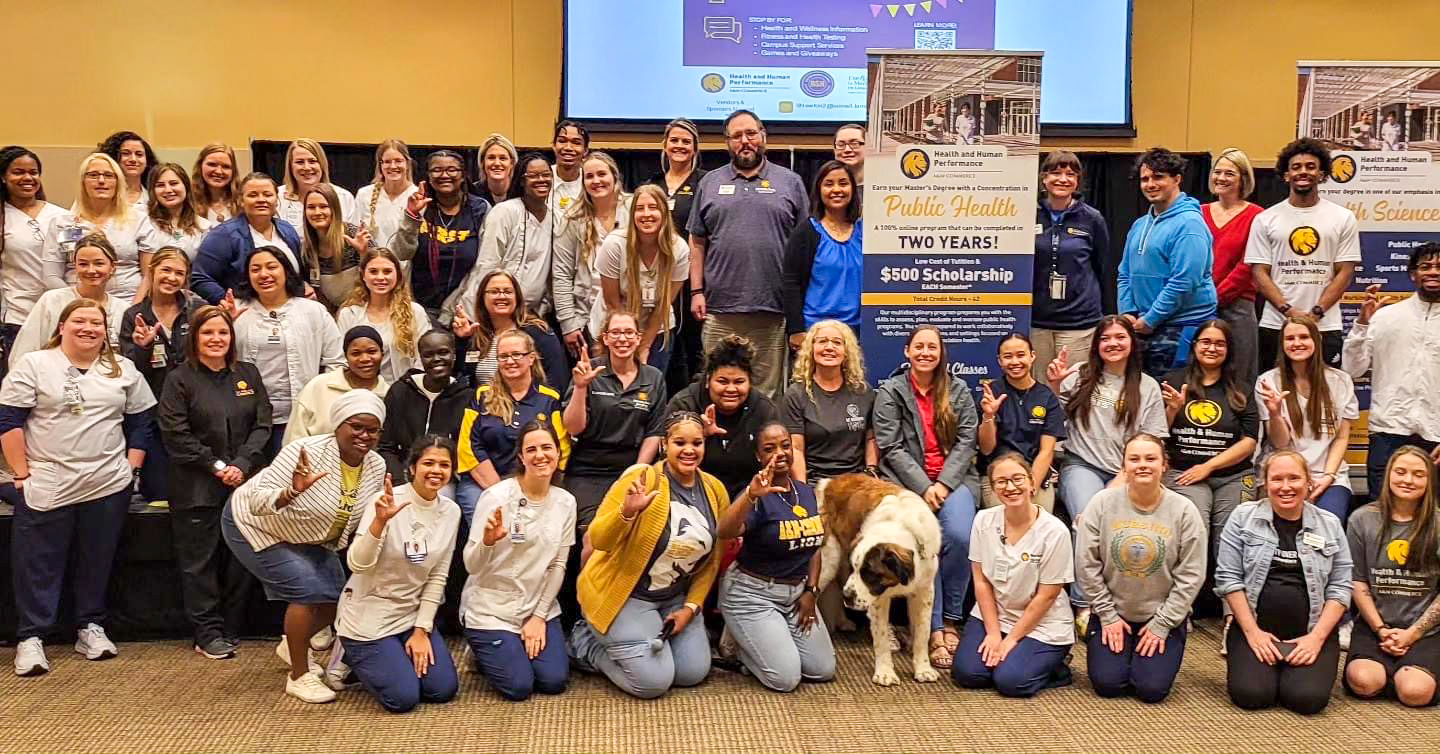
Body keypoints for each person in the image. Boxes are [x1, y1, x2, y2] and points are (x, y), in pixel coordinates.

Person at [4, 298, 156, 676]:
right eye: (80, 321)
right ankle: (31, 636)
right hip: (48, 478)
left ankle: (90, 626)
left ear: (106, 331)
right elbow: (8, 420)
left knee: (97, 558)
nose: (89, 328)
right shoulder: (36, 365)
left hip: (106, 480)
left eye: (96, 323)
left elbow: (141, 421)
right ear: (62, 326)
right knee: (38, 562)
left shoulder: (120, 369)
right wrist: (21, 475)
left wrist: (131, 468)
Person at [221, 390, 388, 703]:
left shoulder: (376, 466)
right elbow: (257, 502)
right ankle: (298, 675)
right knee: (307, 591)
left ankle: (293, 642)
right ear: (338, 425)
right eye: (356, 427)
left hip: (312, 535)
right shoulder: (304, 451)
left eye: (372, 430)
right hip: (255, 524)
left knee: (340, 598)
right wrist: (290, 492)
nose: (364, 436)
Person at [568, 412, 729, 699]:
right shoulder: (641, 477)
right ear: (665, 444)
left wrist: (691, 608)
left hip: (673, 597)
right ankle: (586, 643)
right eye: (680, 442)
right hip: (624, 594)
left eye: (697, 443)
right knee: (652, 683)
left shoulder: (715, 489)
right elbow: (599, 540)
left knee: (692, 673)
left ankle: (641, 641)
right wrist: (627, 512)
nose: (689, 450)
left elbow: (711, 561)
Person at [158, 305, 272, 659]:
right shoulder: (179, 379)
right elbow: (176, 434)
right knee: (200, 563)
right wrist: (218, 466)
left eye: (222, 332)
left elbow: (263, 425)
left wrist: (240, 464)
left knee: (242, 558)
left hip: (245, 483)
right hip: (197, 487)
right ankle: (206, 633)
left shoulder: (247, 374)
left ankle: (233, 627)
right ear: (194, 337)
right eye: (208, 333)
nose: (216, 339)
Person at [873, 325, 980, 669]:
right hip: (908, 485)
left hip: (955, 480)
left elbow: (967, 440)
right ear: (906, 351)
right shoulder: (891, 391)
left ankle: (950, 618)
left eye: (932, 347)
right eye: (918, 347)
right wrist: (924, 487)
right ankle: (932, 629)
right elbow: (890, 445)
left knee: (962, 535)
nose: (925, 353)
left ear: (941, 353)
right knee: (924, 543)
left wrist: (944, 484)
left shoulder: (959, 389)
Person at [1215, 449, 1351, 714]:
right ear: (1265, 483)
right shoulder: (1243, 517)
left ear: (1308, 481)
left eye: (1294, 478)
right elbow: (1228, 578)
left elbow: (1341, 586)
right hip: (1253, 629)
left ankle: (1293, 666)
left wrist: (1317, 638)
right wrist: (1253, 633)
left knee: (1306, 700)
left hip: (1312, 630)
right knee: (1252, 695)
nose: (1286, 487)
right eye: (1277, 479)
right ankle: (1263, 663)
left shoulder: (1329, 524)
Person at [688, 110, 809, 402]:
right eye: (737, 136)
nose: (745, 141)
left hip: (773, 309)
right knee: (718, 388)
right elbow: (697, 242)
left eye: (751, 134)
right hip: (719, 308)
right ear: (727, 142)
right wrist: (696, 291)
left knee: (767, 394)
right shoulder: (710, 183)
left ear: (763, 136)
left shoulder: (790, 182)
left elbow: (806, 245)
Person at [1075, 433, 1206, 703]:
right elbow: (1086, 565)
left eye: (1151, 458)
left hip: (1160, 615)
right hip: (1112, 610)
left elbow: (1191, 575)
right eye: (1134, 459)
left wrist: (1163, 624)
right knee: (1108, 684)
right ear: (1124, 466)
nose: (1142, 465)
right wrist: (1107, 616)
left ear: (1164, 464)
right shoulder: (1102, 503)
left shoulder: (1184, 510)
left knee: (1151, 689)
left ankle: (1159, 642)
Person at [336, 438, 462, 713]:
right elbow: (357, 564)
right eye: (428, 463)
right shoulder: (385, 502)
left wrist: (421, 630)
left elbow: (438, 577)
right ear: (413, 467)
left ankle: (389, 656)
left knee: (441, 690)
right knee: (403, 698)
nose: (436, 471)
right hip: (368, 613)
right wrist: (380, 523)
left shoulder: (451, 511)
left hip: (409, 616)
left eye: (444, 465)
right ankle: (350, 653)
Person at [462, 421, 576, 701]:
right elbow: (471, 566)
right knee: (519, 686)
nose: (540, 455)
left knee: (553, 681)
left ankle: (511, 647)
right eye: (532, 449)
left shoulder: (566, 502)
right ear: (522, 458)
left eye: (547, 447)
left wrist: (538, 617)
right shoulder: (496, 497)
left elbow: (558, 565)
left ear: (558, 453)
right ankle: (480, 648)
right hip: (492, 607)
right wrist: (488, 540)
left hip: (537, 604)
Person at [716, 422, 835, 691]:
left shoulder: (804, 492)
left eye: (785, 446)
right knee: (785, 679)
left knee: (822, 670)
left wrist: (811, 592)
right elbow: (724, 531)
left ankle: (768, 639)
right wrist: (750, 496)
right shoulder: (756, 495)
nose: (780, 453)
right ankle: (740, 648)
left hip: (795, 593)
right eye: (769, 449)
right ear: (759, 456)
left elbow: (812, 545)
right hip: (752, 593)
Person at [953, 452, 1075, 697]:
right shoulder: (983, 521)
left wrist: (1010, 641)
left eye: (1018, 479)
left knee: (1011, 682)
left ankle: (1056, 667)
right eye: (1001, 481)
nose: (1010, 487)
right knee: (968, 674)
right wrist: (994, 633)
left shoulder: (1054, 532)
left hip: (1042, 622)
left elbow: (1047, 596)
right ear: (994, 488)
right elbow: (981, 581)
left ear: (1031, 483)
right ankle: (1020, 658)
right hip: (996, 614)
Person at [1247, 138, 1360, 370]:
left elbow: (1345, 272)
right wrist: (1288, 311)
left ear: (1322, 174)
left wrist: (1316, 313)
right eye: (1296, 167)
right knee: (1274, 393)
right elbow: (1259, 272)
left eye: (1310, 166)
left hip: (1325, 325)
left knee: (1325, 394)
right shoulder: (1265, 219)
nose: (1303, 172)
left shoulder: (1343, 217)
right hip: (1276, 324)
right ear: (1286, 175)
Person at [1161, 319, 1259, 583]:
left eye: (1219, 343)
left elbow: (1250, 440)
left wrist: (1209, 466)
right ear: (1194, 346)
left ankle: (1232, 611)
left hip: (1232, 475)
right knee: (1194, 531)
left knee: (1233, 533)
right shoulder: (1173, 381)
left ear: (1228, 350)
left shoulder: (1243, 388)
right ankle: (1185, 607)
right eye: (1206, 341)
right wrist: (1172, 409)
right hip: (1183, 473)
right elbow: (1156, 434)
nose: (1212, 348)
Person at [1049, 315, 1169, 529]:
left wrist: (1124, 476)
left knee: (1122, 526)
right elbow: (1053, 421)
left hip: (1130, 470)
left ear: (1132, 342)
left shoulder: (1148, 386)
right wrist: (1056, 385)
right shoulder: (1079, 374)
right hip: (1082, 465)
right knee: (1087, 521)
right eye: (1105, 339)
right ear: (1097, 345)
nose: (1113, 343)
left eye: (1120, 337)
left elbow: (1153, 440)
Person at [1344, 445, 1440, 707]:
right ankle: (1393, 670)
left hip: (1426, 630)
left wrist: (1412, 634)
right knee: (1364, 681)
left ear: (1429, 480)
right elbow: (1357, 581)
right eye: (1400, 472)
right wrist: (1381, 629)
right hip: (1375, 626)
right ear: (1388, 475)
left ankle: (1409, 673)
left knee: (1415, 692)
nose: (1408, 480)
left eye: (1418, 474)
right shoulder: (1362, 519)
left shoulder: (1438, 523)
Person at [1343, 242, 1440, 498]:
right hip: (1389, 433)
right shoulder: (1386, 317)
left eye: (1439, 267)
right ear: (1412, 274)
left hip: (1437, 435)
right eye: (1425, 266)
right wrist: (1363, 323)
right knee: (1383, 517)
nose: (1433, 272)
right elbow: (1352, 369)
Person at [228, 246, 343, 456]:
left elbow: (336, 362)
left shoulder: (313, 310)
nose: (264, 274)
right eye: (255, 269)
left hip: (302, 417)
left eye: (272, 267)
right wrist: (227, 323)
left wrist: (320, 402)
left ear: (286, 271)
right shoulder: (236, 310)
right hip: (248, 420)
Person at [563, 311, 667, 533]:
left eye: (629, 332)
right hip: (588, 469)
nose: (623, 339)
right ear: (606, 338)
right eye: (616, 332)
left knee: (633, 532)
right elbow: (573, 427)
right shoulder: (588, 370)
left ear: (638, 338)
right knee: (594, 534)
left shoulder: (654, 377)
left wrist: (637, 472)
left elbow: (654, 432)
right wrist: (581, 387)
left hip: (631, 466)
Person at [1117, 147, 1217, 378]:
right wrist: (1128, 313)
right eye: (1145, 179)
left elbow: (1184, 281)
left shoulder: (1190, 224)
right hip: (1143, 326)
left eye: (1158, 177)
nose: (1150, 184)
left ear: (1177, 179)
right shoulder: (1139, 224)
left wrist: (1151, 319)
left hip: (1182, 329)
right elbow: (1124, 273)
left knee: (1172, 403)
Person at [455, 328, 569, 524]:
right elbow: (469, 447)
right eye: (503, 356)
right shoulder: (482, 395)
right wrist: (501, 492)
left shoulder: (549, 399)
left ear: (531, 358)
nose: (510, 361)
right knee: (486, 518)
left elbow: (560, 449)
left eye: (516, 354)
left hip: (533, 483)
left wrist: (528, 489)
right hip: (484, 483)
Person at [121, 248, 206, 502]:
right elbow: (129, 372)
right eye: (166, 270)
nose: (172, 277)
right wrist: (143, 348)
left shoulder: (197, 310)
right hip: (152, 411)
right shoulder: (134, 315)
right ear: (152, 271)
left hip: (194, 410)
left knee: (193, 487)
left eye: (179, 273)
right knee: (158, 490)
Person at [1256, 314, 1357, 520]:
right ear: (1282, 343)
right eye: (1290, 338)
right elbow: (1280, 443)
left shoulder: (1340, 381)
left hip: (1328, 475)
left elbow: (1341, 438)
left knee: (1329, 523)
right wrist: (1275, 413)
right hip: (1284, 476)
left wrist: (1328, 477)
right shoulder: (1267, 381)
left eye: (1303, 337)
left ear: (1316, 341)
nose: (1297, 343)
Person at [666, 334, 779, 498]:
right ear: (708, 380)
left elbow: (775, 463)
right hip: (692, 494)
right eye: (723, 381)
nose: (731, 389)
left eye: (739, 382)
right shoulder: (684, 404)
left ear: (750, 383)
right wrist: (700, 435)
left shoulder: (764, 409)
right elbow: (666, 459)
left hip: (750, 496)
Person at [1031, 151, 1110, 381]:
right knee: (1041, 390)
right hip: (1037, 322)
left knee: (1074, 389)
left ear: (1077, 181)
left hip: (1079, 323)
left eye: (1070, 174)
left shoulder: (1092, 218)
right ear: (1043, 178)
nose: (1063, 179)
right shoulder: (1029, 214)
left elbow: (1102, 267)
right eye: (1055, 173)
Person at [593, 183, 689, 372]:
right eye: (639, 209)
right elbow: (613, 302)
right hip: (615, 326)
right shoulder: (615, 245)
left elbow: (664, 305)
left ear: (664, 212)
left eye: (653, 208)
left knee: (648, 388)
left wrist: (644, 346)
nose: (646, 214)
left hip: (656, 327)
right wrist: (628, 341)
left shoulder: (679, 249)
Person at [394, 150, 491, 319]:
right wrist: (412, 216)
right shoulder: (419, 205)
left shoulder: (480, 209)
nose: (444, 175)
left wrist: (454, 308)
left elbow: (485, 264)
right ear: (429, 177)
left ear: (462, 175)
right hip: (420, 308)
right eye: (437, 170)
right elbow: (402, 253)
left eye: (452, 170)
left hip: (465, 308)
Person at [648, 118, 707, 392]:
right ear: (665, 145)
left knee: (690, 348)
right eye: (674, 140)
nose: (679, 146)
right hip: (653, 279)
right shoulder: (652, 183)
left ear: (695, 148)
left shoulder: (706, 182)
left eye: (686, 141)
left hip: (690, 282)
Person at [43, 153, 151, 303]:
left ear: (118, 182)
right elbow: (51, 276)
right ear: (83, 182)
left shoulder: (138, 219)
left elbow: (149, 274)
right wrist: (77, 303)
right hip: (75, 305)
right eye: (93, 175)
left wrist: (133, 310)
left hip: (127, 303)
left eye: (108, 175)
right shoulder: (63, 224)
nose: (101, 181)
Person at [11, 233, 130, 366]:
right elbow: (23, 352)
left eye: (99, 263)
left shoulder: (123, 309)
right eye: (83, 264)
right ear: (75, 266)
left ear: (113, 267)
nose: (91, 270)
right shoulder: (52, 301)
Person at [977, 333, 1065, 512]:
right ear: (999, 360)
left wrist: (1030, 485)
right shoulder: (991, 393)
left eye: (1021, 355)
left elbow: (1047, 451)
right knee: (1008, 520)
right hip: (998, 475)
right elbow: (986, 449)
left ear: (1032, 356)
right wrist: (988, 416)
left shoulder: (1046, 397)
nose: (1015, 361)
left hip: (1035, 475)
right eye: (1008, 356)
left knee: (1041, 525)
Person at [554, 151, 630, 357]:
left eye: (602, 174)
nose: (596, 181)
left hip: (630, 315)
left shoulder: (634, 210)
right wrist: (569, 324)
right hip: (588, 318)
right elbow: (561, 275)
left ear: (615, 177)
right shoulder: (572, 219)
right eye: (589, 176)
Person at [781, 161, 863, 344]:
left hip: (858, 331)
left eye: (843, 183)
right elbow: (791, 283)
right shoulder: (807, 231)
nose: (836, 190)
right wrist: (796, 329)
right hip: (815, 331)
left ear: (852, 188)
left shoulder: (865, 231)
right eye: (829, 184)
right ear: (819, 189)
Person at [1202, 148, 1264, 388]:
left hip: (1238, 307)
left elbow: (1248, 265)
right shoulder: (1199, 212)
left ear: (1243, 179)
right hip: (1200, 304)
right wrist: (1203, 298)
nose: (1221, 178)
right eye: (1217, 172)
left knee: (1241, 376)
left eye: (1230, 173)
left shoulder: (1257, 216)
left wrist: (1215, 298)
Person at [784, 320, 875, 483]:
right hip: (815, 481)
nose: (829, 347)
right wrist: (803, 491)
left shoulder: (863, 391)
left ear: (846, 352)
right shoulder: (795, 394)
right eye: (822, 341)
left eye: (837, 343)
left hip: (856, 481)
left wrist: (871, 471)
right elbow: (796, 449)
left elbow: (871, 439)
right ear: (811, 349)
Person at [191, 172, 304, 304]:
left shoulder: (288, 230)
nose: (261, 199)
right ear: (241, 201)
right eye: (253, 195)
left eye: (267, 194)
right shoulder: (223, 235)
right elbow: (200, 278)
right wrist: (228, 303)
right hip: (245, 314)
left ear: (276, 200)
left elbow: (297, 274)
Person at [465, 152, 555, 317]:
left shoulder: (555, 218)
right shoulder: (504, 212)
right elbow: (487, 265)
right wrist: (486, 314)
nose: (541, 180)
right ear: (522, 181)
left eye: (546, 175)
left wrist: (541, 310)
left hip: (531, 314)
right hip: (493, 311)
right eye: (533, 176)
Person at [378, 329, 471, 481]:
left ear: (454, 355)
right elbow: (386, 446)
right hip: (403, 474)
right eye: (429, 355)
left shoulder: (466, 396)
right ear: (421, 358)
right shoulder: (400, 391)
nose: (437, 359)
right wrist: (401, 479)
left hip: (444, 477)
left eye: (443, 352)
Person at [1, 146, 66, 359]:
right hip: (18, 316)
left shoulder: (62, 216)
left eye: (33, 172)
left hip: (60, 315)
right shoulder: (4, 217)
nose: (27, 178)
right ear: (3, 177)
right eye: (18, 172)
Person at [451, 270, 566, 390]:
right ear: (482, 297)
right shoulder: (477, 334)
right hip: (481, 406)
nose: (501, 296)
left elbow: (557, 378)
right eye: (494, 292)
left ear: (517, 297)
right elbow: (461, 378)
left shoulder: (538, 332)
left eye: (508, 291)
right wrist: (462, 341)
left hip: (530, 407)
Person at [283, 325, 389, 444]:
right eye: (355, 353)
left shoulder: (388, 395)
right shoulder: (319, 386)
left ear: (382, 354)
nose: (364, 358)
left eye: (371, 352)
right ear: (346, 357)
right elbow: (294, 436)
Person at [337, 248, 428, 385]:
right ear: (363, 275)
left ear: (397, 274)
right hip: (362, 392)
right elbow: (341, 360)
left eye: (387, 271)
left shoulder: (415, 312)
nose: (380, 277)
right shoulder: (349, 314)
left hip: (406, 391)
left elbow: (423, 357)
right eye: (373, 272)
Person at [300, 183, 369, 307]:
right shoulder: (307, 249)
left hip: (363, 308)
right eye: (311, 207)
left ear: (334, 209)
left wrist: (363, 253)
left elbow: (381, 274)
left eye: (323, 206)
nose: (317, 212)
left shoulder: (354, 234)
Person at [275, 138, 358, 230]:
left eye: (312, 161)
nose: (306, 167)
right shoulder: (277, 197)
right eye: (300, 162)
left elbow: (352, 237)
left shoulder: (344, 197)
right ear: (290, 166)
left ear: (322, 164)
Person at [141, 162, 213, 261]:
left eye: (174, 183)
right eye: (160, 185)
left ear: (186, 186)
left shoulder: (203, 227)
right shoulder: (143, 219)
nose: (168, 190)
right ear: (152, 191)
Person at [355, 140, 418, 253]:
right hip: (371, 266)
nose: (393, 166)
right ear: (380, 165)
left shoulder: (417, 197)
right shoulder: (364, 195)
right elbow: (356, 233)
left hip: (406, 267)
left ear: (408, 164)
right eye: (387, 162)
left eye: (398, 161)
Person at [96, 131, 156, 208]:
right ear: (113, 157)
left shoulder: (154, 199)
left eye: (139, 154)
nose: (133, 159)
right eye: (126, 153)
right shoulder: (98, 194)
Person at [191, 143, 240, 223]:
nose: (219, 171)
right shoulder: (188, 203)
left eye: (226, 166)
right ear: (200, 166)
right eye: (212, 164)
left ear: (233, 171)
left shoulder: (242, 203)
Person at [550, 121, 589, 212]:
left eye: (576, 142)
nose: (568, 147)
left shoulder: (591, 182)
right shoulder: (542, 178)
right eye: (562, 141)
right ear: (554, 146)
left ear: (585, 150)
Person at [475, 133, 517, 208]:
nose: (497, 163)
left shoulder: (522, 193)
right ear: (482, 162)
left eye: (502, 158)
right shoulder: (472, 193)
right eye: (491, 158)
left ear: (512, 163)